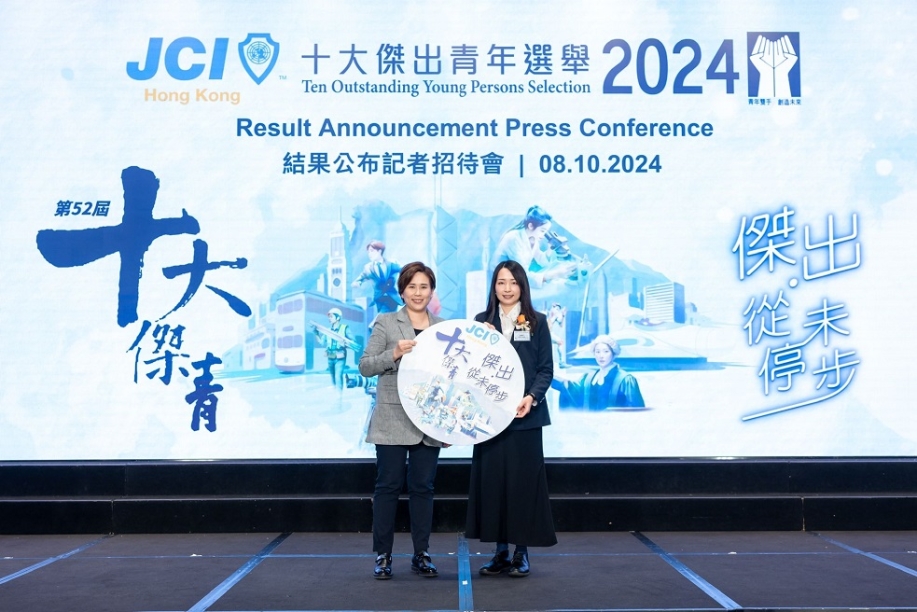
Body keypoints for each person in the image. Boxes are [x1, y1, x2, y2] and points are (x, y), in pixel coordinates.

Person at [466, 259, 557, 578]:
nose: (507, 289)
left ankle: (521, 552)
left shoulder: (536, 321)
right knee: (493, 485)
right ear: (493, 287)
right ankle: (500, 552)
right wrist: (481, 341)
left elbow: (546, 369)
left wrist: (531, 397)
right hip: (489, 419)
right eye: (501, 282)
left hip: (525, 417)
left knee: (522, 485)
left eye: (513, 282)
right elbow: (469, 368)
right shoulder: (481, 322)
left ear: (522, 286)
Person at [359, 261, 445, 580]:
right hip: (392, 417)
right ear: (402, 291)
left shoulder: (443, 328)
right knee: (388, 486)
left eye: (424, 287)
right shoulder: (385, 322)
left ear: (431, 291)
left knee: (423, 487)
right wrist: (393, 354)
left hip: (429, 421)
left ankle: (421, 554)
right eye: (412, 287)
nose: (418, 293)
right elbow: (366, 366)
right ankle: (383, 555)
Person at [489, 206, 575, 290]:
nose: (543, 235)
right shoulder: (514, 239)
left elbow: (542, 261)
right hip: (501, 280)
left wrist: (550, 249)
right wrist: (555, 274)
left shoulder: (532, 238)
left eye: (545, 232)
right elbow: (522, 275)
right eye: (542, 231)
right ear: (530, 226)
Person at [553, 334, 645, 410]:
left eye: (606, 351)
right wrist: (548, 376)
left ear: (613, 353)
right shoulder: (588, 378)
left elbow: (636, 411)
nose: (601, 356)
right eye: (597, 352)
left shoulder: (626, 380)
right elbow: (571, 388)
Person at [352, 240, 401, 315]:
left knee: (382, 318)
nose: (369, 254)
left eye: (372, 251)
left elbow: (405, 270)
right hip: (379, 300)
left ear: (379, 251)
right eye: (368, 252)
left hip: (392, 298)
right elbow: (361, 277)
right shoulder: (368, 268)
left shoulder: (391, 264)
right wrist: (357, 282)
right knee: (387, 319)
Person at [311, 307, 354, 390]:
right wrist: (316, 334)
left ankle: (339, 393)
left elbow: (352, 342)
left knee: (338, 375)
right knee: (333, 376)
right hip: (330, 356)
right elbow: (321, 342)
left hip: (340, 356)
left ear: (338, 318)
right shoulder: (327, 331)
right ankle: (336, 390)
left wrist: (344, 343)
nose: (329, 319)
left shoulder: (345, 328)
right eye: (329, 317)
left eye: (331, 317)